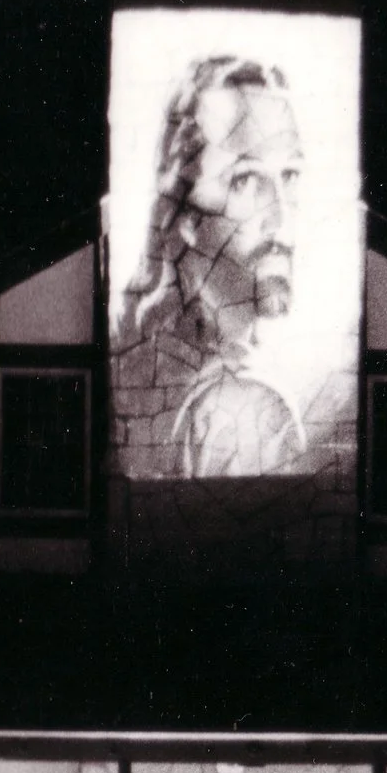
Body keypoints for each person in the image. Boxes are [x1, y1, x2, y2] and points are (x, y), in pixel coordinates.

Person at [112, 54, 309, 479]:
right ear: (185, 217)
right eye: (245, 180)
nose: (282, 219)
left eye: (290, 177)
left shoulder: (144, 359)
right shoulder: (247, 409)